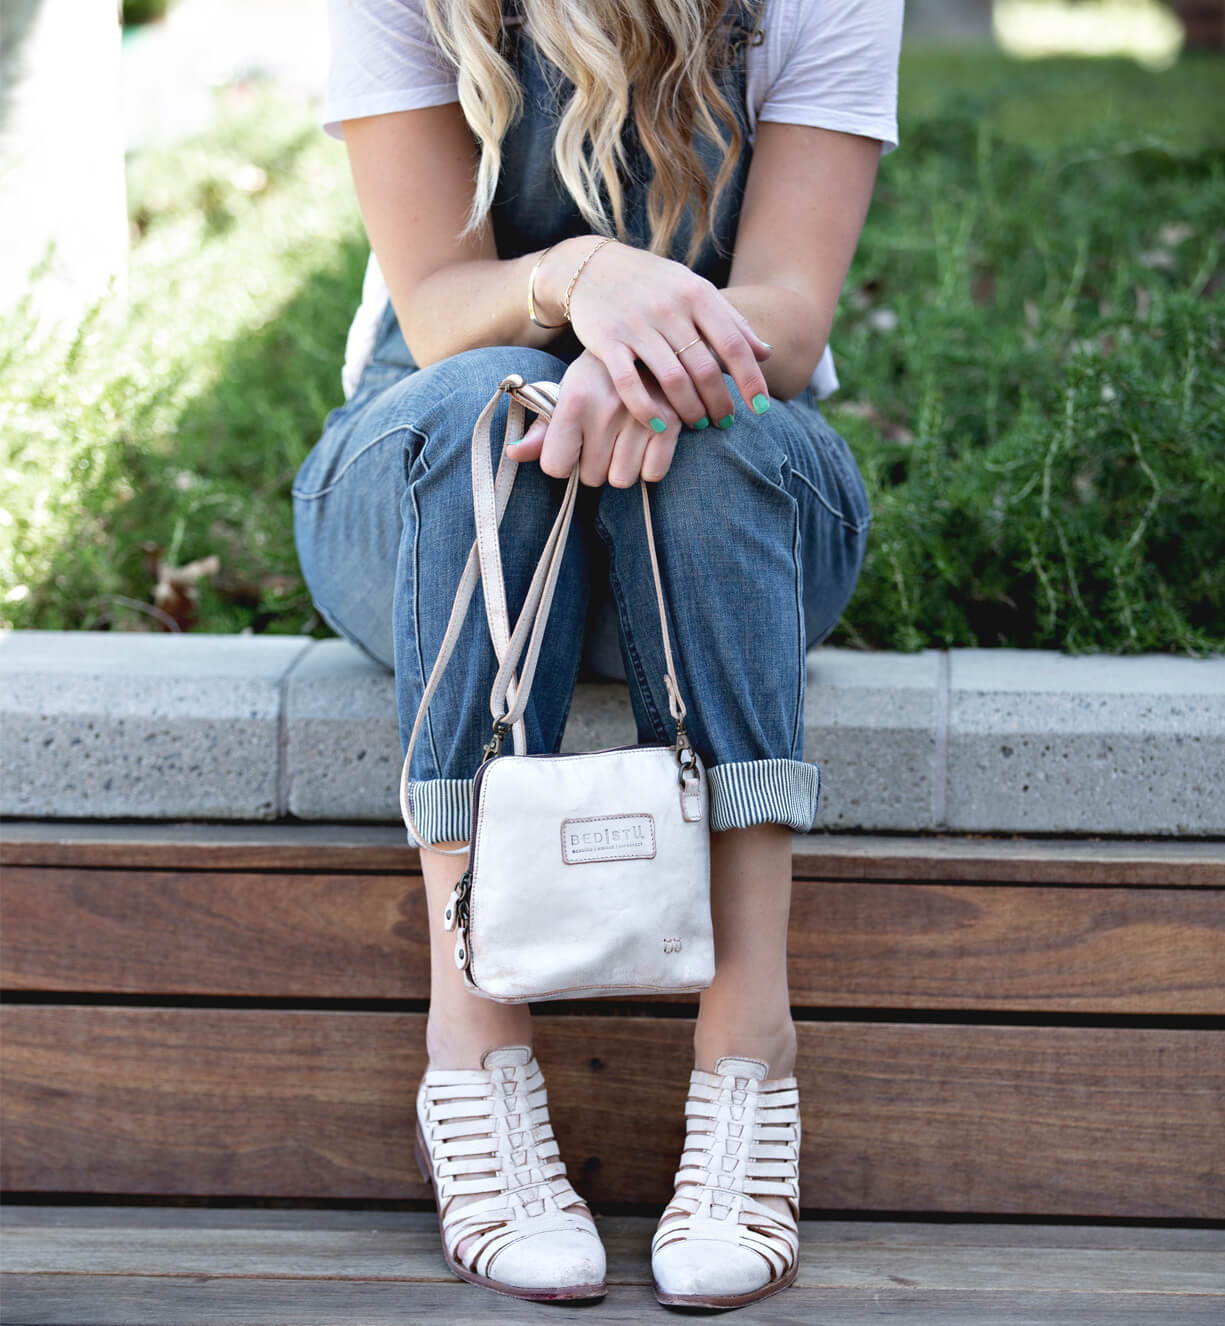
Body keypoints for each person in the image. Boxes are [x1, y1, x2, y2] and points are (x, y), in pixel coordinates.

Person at [293, 0, 901, 1308]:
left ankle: (749, 1057)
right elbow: (440, 302)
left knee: (725, 419)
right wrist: (580, 282)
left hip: (710, 499)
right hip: (432, 483)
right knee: (487, 397)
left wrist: (647, 360)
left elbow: (786, 318)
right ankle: (474, 1051)